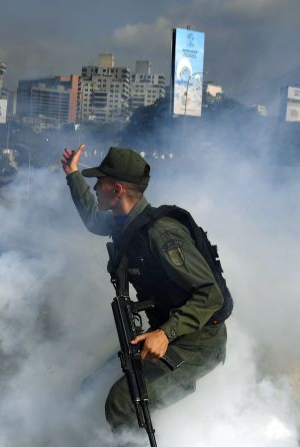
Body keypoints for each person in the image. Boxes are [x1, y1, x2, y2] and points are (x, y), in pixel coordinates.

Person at [61, 144, 229, 434]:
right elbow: (92, 219)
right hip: (162, 334)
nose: (96, 187)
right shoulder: (127, 224)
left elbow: (210, 294)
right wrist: (72, 174)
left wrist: (166, 333)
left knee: (122, 403)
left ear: (117, 190)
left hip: (197, 343)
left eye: (99, 182)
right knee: (90, 389)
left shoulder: (161, 234)